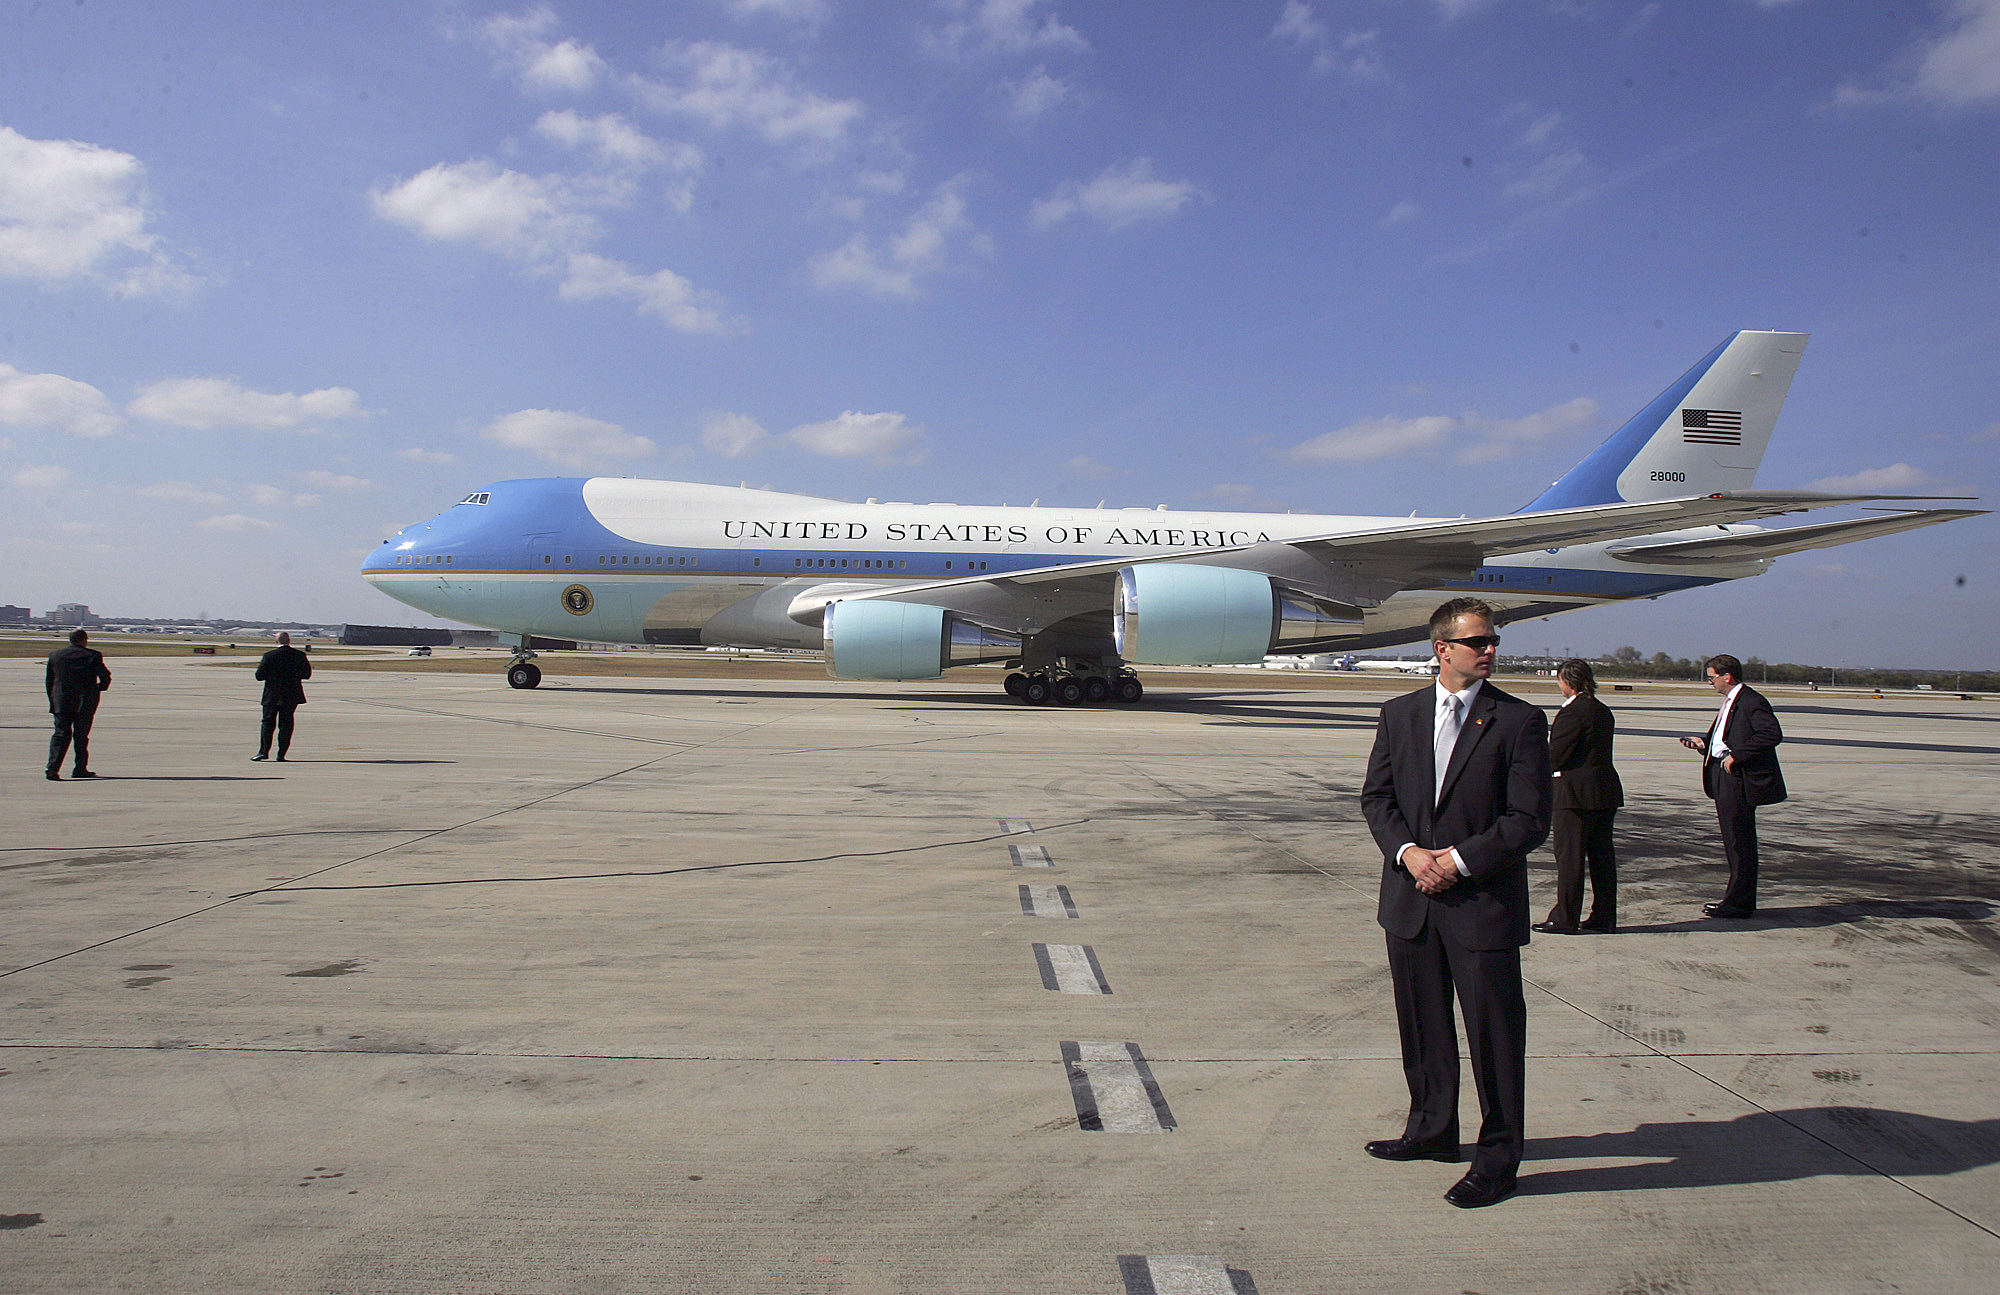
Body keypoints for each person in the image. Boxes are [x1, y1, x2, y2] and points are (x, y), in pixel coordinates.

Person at [1360, 597, 1551, 1208]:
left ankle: (1499, 1157)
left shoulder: (1519, 721)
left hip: (1480, 903)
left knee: (1494, 1037)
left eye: (1492, 641)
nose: (1491, 649)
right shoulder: (1399, 714)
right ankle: (1432, 1130)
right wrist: (1410, 853)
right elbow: (1377, 799)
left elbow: (1529, 819)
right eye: (1478, 642)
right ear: (1442, 648)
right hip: (1410, 899)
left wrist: (1457, 862)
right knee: (1423, 1028)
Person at [1679, 654, 1785, 918]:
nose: (1710, 683)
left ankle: (1739, 902)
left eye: (1712, 677)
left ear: (1728, 676)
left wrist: (1738, 755)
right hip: (1722, 776)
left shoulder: (1751, 701)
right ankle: (1738, 898)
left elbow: (1771, 734)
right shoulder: (1731, 702)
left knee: (1739, 840)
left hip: (1738, 779)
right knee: (1734, 839)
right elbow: (1726, 736)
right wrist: (1704, 744)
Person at [1535, 659, 1624, 935]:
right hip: (1603, 792)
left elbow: (1556, 756)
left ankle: (1565, 917)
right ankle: (1604, 915)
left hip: (1574, 795)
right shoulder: (1602, 710)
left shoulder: (1573, 712)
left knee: (1570, 857)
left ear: (1568, 681)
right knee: (1601, 858)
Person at [45, 628, 111, 781]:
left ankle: (52, 768)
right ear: (84, 640)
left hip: (61, 701)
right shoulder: (93, 655)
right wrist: (98, 689)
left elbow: (50, 681)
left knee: (60, 734)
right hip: (84, 701)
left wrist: (53, 700)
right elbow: (105, 677)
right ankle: (80, 768)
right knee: (81, 736)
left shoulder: (55, 655)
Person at [253, 632, 313, 762]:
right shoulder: (299, 655)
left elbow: (259, 676)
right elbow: (306, 674)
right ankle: (281, 754)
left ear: (276, 642)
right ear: (289, 640)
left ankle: (263, 752)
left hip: (272, 694)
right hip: (291, 694)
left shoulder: (269, 656)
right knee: (286, 724)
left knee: (268, 723)